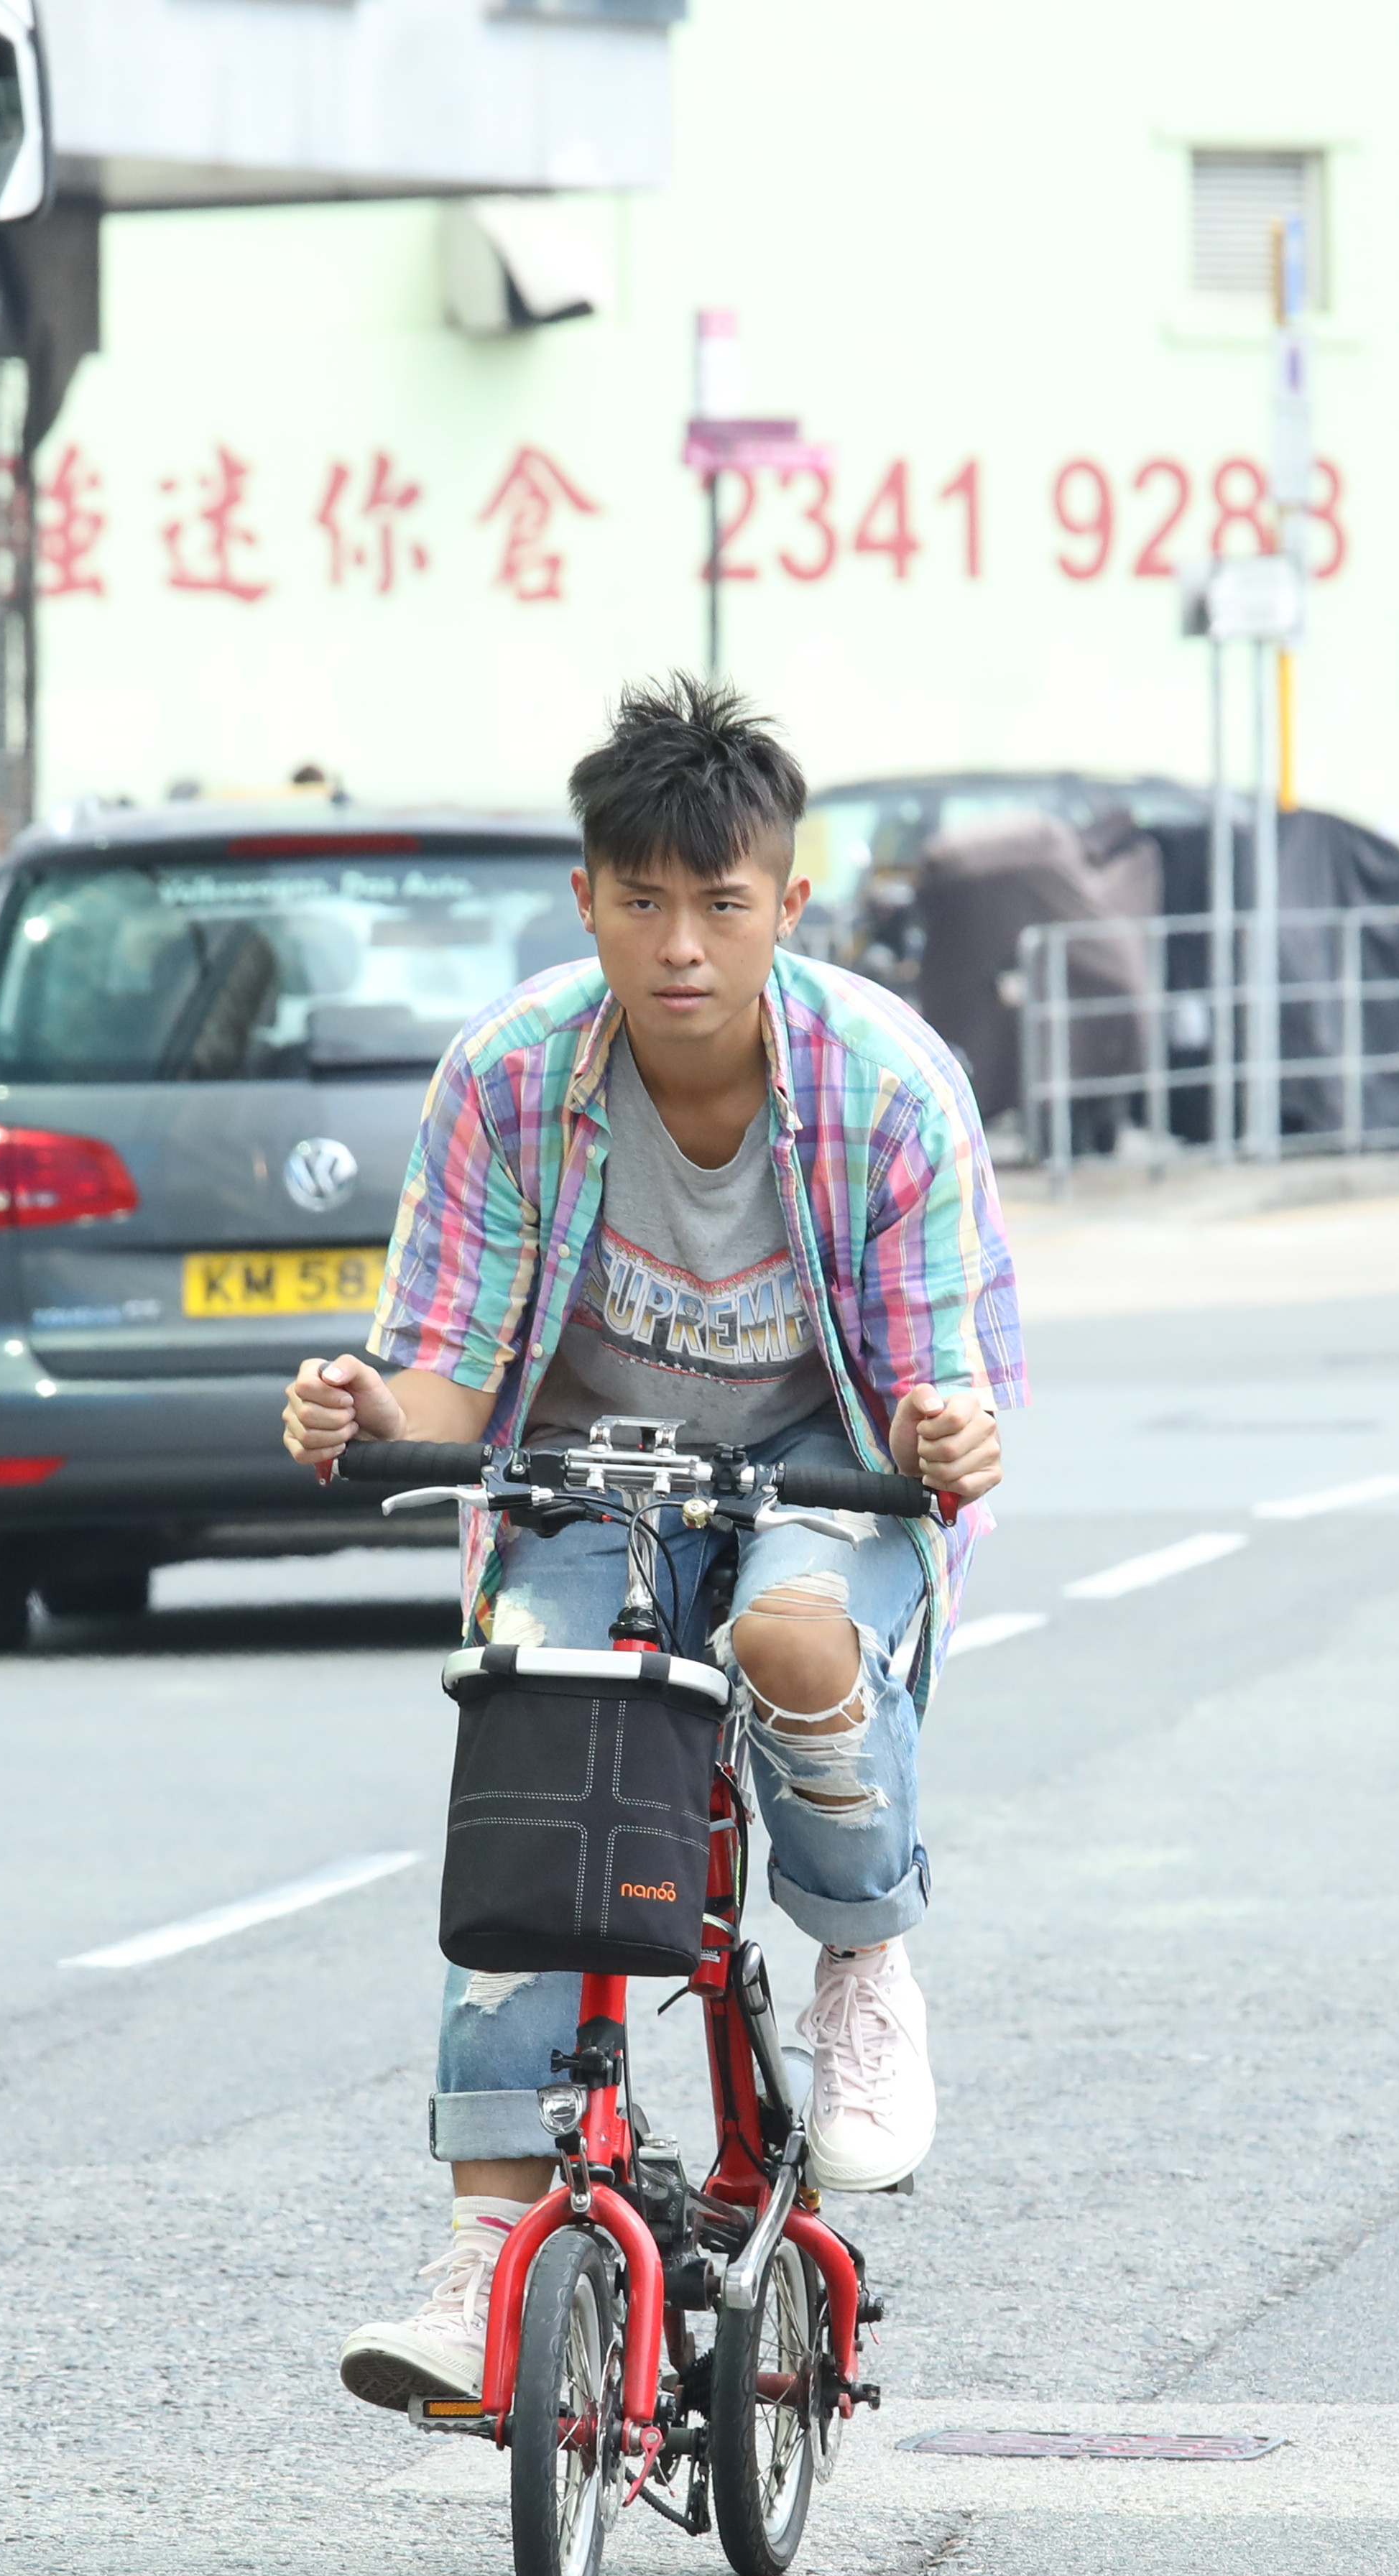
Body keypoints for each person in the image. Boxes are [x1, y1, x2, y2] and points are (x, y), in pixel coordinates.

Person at [282, 675, 1018, 2414]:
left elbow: (935, 1392)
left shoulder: (890, 1090)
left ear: (789, 906)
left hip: (826, 1465)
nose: (680, 944)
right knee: (534, 1717)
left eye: (721, 903)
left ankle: (860, 1958)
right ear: (587, 900)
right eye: (641, 901)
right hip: (597, 1474)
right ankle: (485, 2248)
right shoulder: (514, 1077)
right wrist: (363, 1410)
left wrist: (948, 1434)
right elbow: (449, 1379)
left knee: (786, 1637)